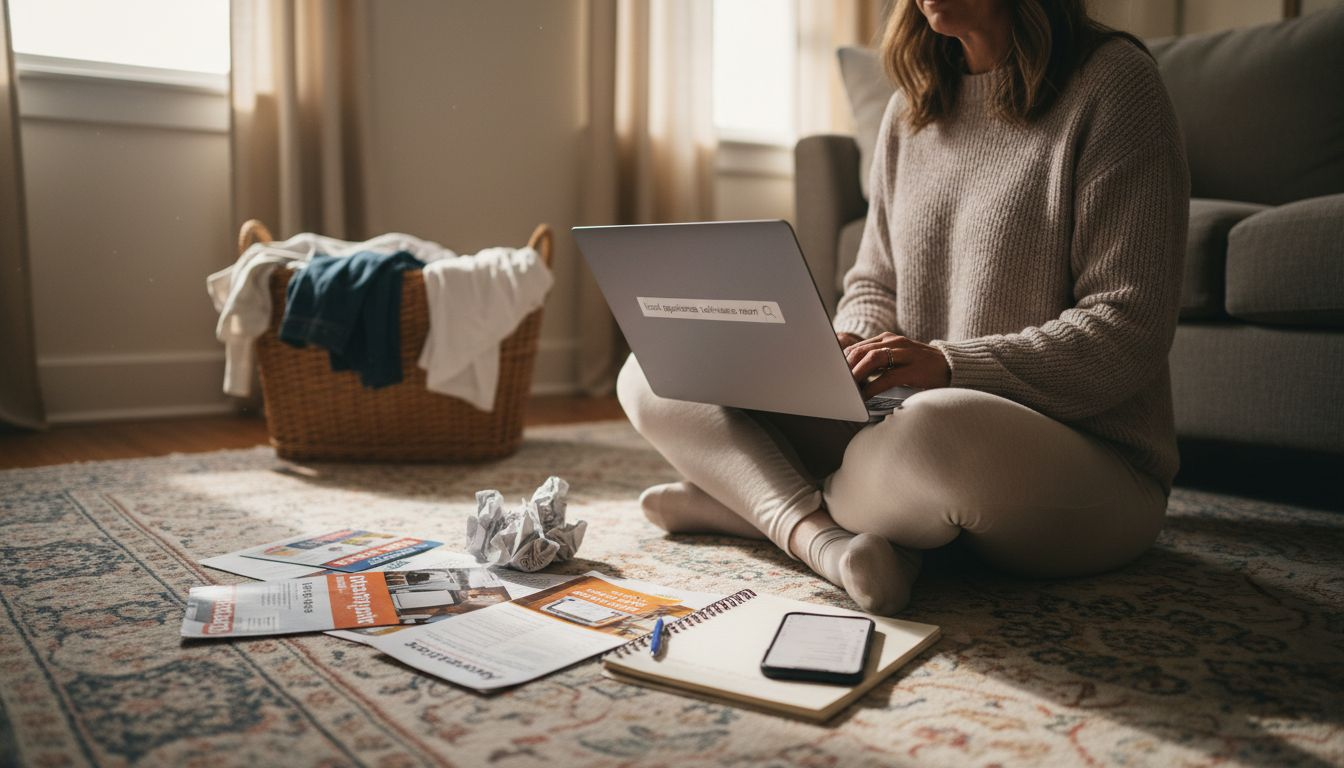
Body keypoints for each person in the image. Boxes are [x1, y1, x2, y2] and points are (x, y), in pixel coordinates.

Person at [618, 0, 1189, 615]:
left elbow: (1126, 330)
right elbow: (874, 283)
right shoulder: (910, 107)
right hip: (897, 422)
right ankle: (824, 542)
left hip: (1082, 459)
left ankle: (752, 503)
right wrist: (847, 346)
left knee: (930, 432)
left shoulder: (1114, 83)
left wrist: (949, 365)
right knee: (653, 368)